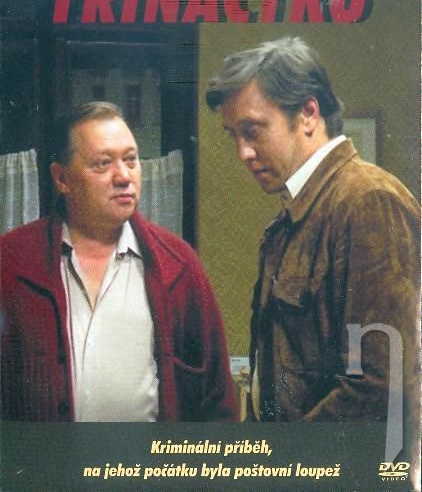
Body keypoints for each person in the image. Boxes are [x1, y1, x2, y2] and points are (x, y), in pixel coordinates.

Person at [206, 37, 419, 429]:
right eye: (233, 135)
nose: (243, 153)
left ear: (308, 114)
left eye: (253, 131)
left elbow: (380, 387)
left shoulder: (367, 201)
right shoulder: (295, 218)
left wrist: (288, 456)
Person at [1, 102, 235, 422]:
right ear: (62, 178)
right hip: (44, 456)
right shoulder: (11, 261)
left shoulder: (179, 264)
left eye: (131, 159)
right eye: (103, 163)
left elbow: (218, 402)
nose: (124, 176)